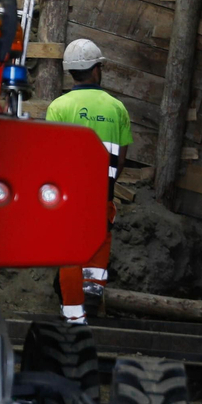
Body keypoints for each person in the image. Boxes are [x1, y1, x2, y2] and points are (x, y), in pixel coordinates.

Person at [44, 38, 130, 325]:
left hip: (69, 194)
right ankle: (92, 302)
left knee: (71, 251)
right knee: (98, 244)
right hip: (102, 193)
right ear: (96, 69)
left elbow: (52, 157)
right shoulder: (117, 108)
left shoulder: (58, 106)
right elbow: (121, 158)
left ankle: (72, 315)